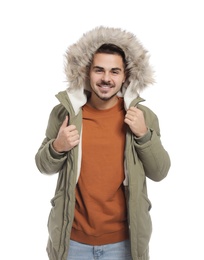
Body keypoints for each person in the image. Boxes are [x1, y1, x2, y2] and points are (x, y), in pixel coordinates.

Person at [35, 26, 171, 260]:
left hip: (124, 243)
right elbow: (43, 166)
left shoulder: (142, 116)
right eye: (99, 70)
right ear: (87, 72)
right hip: (72, 241)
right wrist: (57, 146)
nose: (106, 78)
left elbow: (160, 172)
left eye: (114, 71)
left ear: (125, 76)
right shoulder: (65, 114)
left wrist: (143, 135)